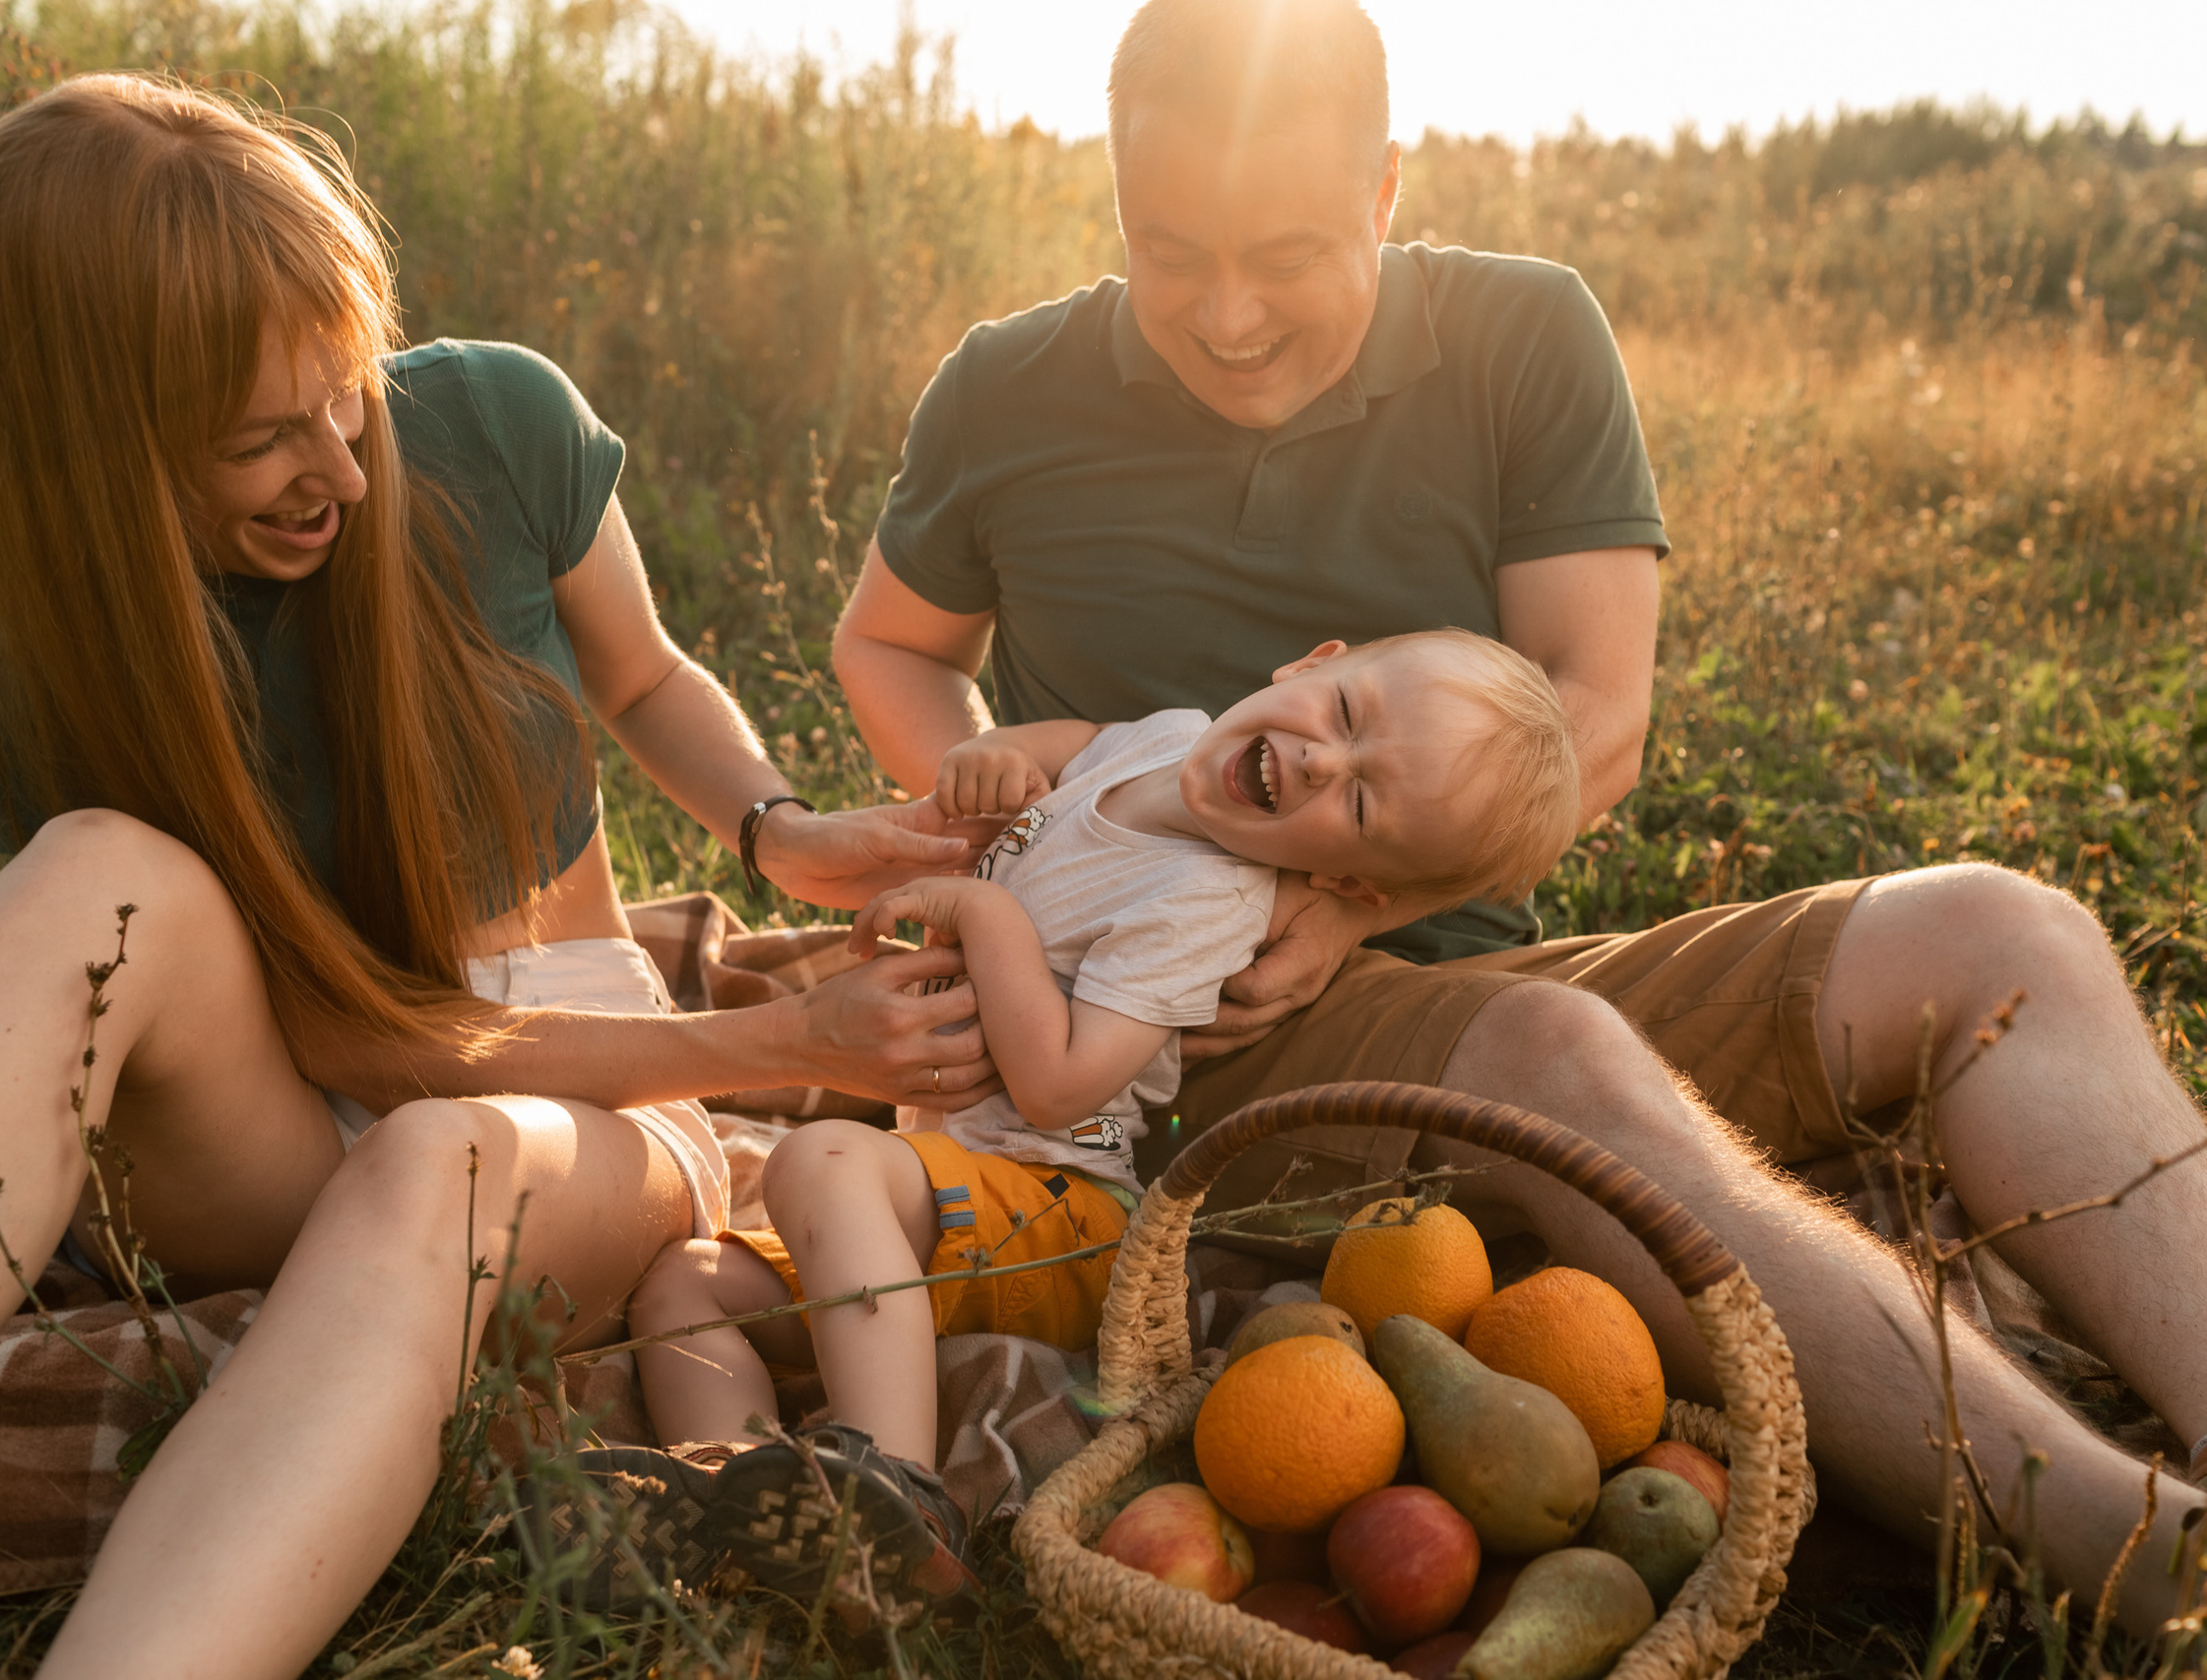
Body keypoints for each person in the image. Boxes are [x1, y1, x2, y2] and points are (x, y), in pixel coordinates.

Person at [826, 0, 2207, 1667]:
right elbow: (892, 642)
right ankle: (2194, 1577)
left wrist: (1353, 907)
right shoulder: (1008, 388)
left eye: (1287, 252)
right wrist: (1020, 829)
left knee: (1999, 931)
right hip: (1168, 1032)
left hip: (1441, 961)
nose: (1227, 314)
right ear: (1109, 192)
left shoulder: (1523, 336)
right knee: (1550, 1049)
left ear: (1389, 186)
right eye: (1170, 251)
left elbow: (1595, 708)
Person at [0, 76, 1001, 1680]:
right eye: (260, 442)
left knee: (437, 1160)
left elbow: (645, 679)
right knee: (89, 876)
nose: (344, 471)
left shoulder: (496, 427)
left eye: (345, 396)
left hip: (583, 1118)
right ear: (101, 462)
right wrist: (792, 1043)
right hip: (294, 1102)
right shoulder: (35, 662)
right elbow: (367, 1047)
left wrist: (782, 835)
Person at [597, 630, 1579, 1611]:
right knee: (685, 1283)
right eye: (1347, 712)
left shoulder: (1205, 898)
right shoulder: (1160, 740)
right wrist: (993, 761)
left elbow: (1058, 1087)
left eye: (1360, 800)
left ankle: (898, 1496)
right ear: (1311, 662)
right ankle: (731, 1495)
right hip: (936, 1196)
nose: (1325, 758)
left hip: (1056, 1211)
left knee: (825, 1160)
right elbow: (1044, 754)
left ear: (1350, 887)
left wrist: (988, 921)